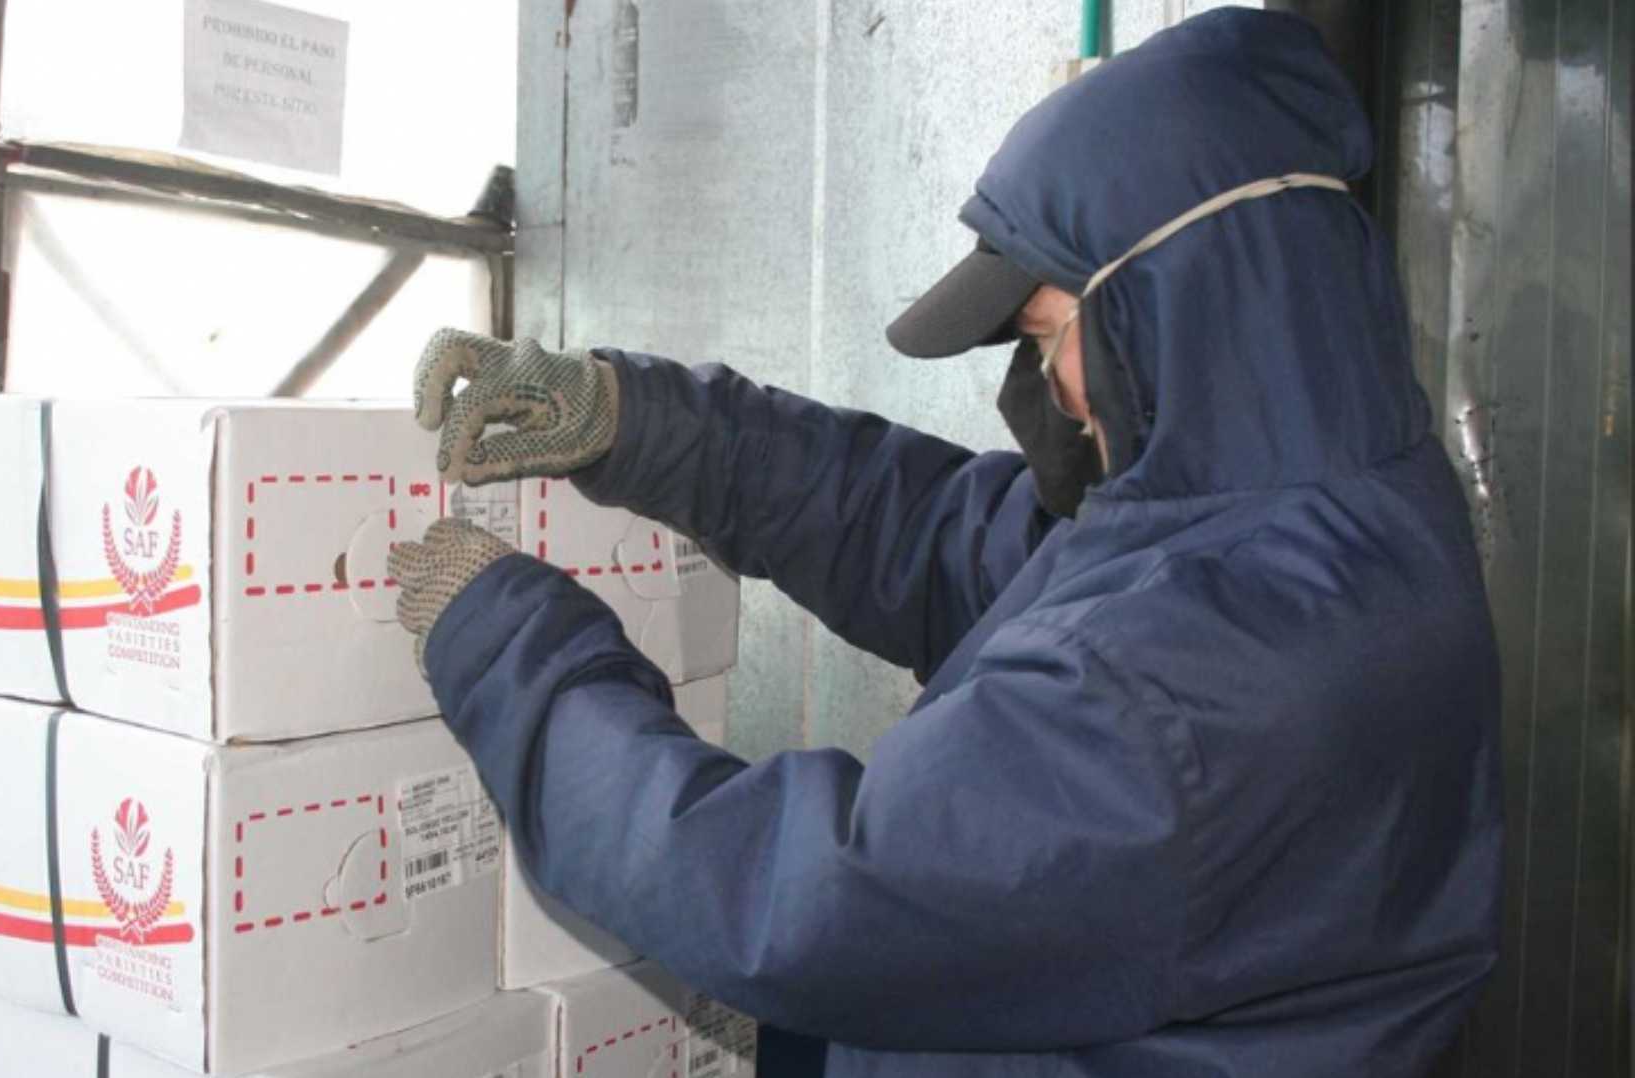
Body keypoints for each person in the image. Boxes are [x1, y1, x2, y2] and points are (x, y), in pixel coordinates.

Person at [386, 10, 1503, 1076]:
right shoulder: (1322, 513)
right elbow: (934, 538)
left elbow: (792, 904)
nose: (1048, 388)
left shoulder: (1194, 690)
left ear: (1171, 303)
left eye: (1048, 337)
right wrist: (639, 422)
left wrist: (507, 642)